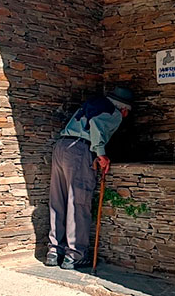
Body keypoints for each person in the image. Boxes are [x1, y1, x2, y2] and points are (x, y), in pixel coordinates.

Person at [46, 87, 133, 269]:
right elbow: (96, 126)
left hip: (61, 146)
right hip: (79, 151)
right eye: (127, 112)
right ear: (124, 109)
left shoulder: (93, 103)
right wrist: (101, 154)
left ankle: (54, 251)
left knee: (58, 201)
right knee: (78, 202)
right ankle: (74, 255)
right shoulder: (114, 112)